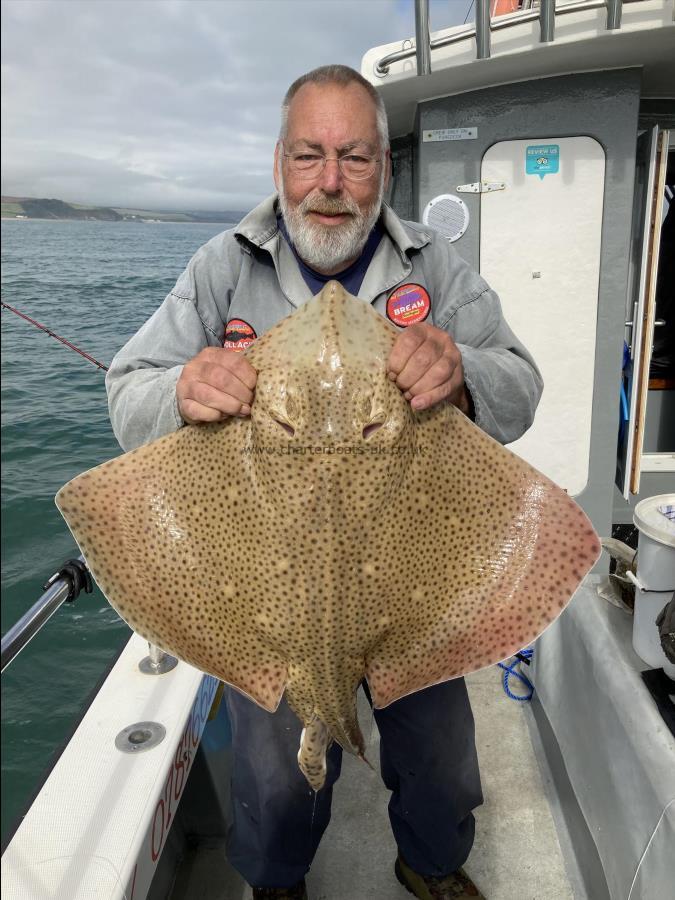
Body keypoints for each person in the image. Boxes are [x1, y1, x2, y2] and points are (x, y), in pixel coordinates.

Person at [106, 65, 543, 900]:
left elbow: (519, 392)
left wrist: (463, 372)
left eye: (355, 157)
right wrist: (179, 390)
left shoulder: (435, 268)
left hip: (415, 574)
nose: (331, 183)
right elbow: (129, 390)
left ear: (385, 166)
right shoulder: (220, 269)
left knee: (444, 760)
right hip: (260, 588)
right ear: (279, 163)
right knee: (273, 779)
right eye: (310, 156)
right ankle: (277, 882)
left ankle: (431, 862)